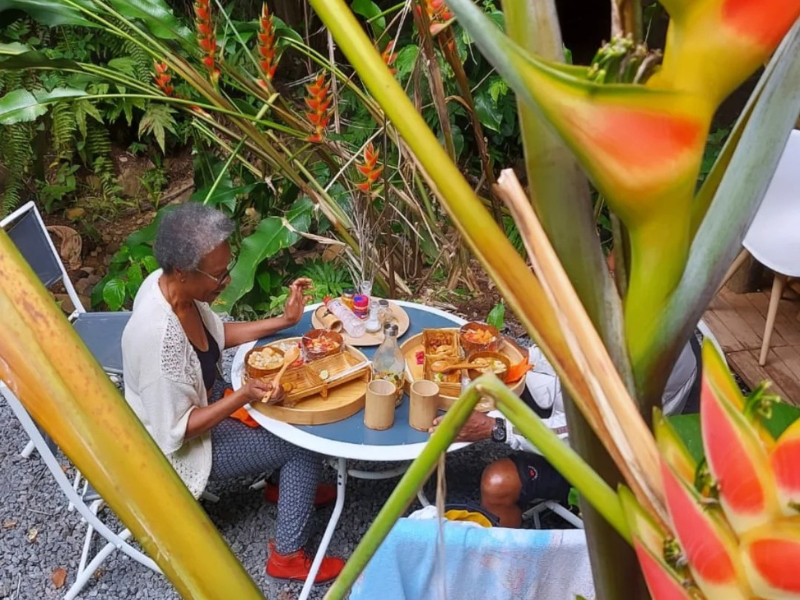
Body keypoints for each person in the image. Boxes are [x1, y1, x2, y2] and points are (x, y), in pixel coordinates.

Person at [121, 203, 344, 583]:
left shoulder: (176, 290)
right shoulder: (160, 340)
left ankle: (282, 486)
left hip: (208, 400)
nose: (225, 281)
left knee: (285, 392)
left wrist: (286, 321)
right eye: (218, 275)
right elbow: (176, 431)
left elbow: (218, 337)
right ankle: (287, 556)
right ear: (181, 272)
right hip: (186, 452)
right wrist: (240, 398)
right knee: (302, 442)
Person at [429, 336, 702, 528]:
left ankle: (506, 567)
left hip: (607, 461)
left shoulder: (655, 355)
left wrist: (496, 428)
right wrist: (525, 358)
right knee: (481, 385)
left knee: (498, 483)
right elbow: (573, 354)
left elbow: (582, 430)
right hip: (573, 409)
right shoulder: (625, 315)